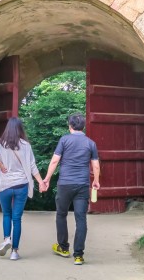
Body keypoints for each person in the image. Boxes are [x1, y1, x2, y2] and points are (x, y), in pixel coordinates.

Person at [40, 113, 100, 266]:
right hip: (82, 185)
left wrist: (46, 179)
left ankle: (63, 247)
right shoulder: (90, 143)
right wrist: (96, 181)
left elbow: (54, 161)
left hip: (65, 184)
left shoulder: (64, 140)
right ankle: (78, 255)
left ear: (70, 126)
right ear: (83, 126)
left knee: (61, 214)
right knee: (81, 219)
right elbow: (96, 165)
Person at [0, 117, 46, 261]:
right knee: (17, 218)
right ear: (20, 129)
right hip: (21, 185)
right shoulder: (25, 145)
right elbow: (32, 167)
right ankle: (15, 252)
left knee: (7, 214)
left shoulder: (0, 143)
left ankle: (6, 239)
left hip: (5, 185)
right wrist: (41, 182)